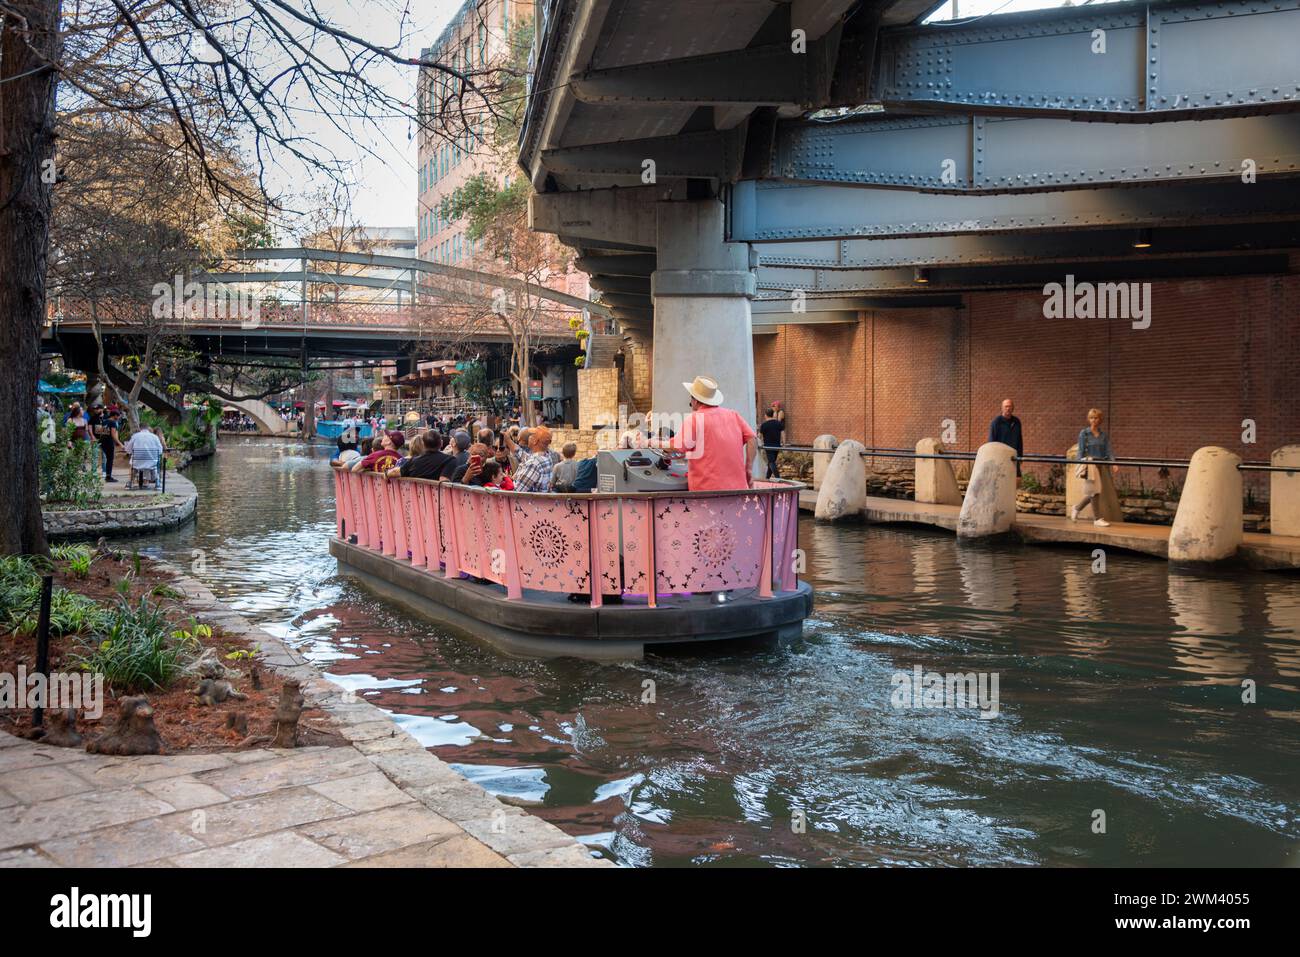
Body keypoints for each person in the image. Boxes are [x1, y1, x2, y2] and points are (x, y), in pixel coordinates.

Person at [659, 376, 756, 492]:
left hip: (707, 492)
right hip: (737, 490)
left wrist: (650, 442)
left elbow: (676, 446)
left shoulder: (694, 418)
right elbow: (752, 438)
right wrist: (749, 468)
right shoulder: (733, 415)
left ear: (695, 400)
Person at [1069, 408, 1119, 528]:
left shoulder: (1103, 435)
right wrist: (1079, 465)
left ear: (1100, 419)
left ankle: (1077, 508)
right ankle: (1097, 519)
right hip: (1090, 464)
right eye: (1091, 418)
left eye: (1096, 418)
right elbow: (1080, 451)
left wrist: (1114, 463)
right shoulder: (1084, 434)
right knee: (1095, 491)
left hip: (1100, 465)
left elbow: (1108, 450)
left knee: (1094, 491)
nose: (1093, 420)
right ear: (1088, 419)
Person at [505, 425, 556, 492]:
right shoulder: (547, 456)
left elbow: (517, 491)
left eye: (531, 436)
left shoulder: (533, 463)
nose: (529, 437)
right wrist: (508, 440)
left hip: (528, 502)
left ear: (535, 441)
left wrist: (507, 479)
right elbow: (523, 455)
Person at [988, 398, 1024, 478]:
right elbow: (991, 442)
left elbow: (1019, 440)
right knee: (1002, 480)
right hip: (1001, 457)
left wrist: (1020, 456)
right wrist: (993, 458)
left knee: (1016, 479)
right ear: (1002, 408)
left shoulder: (1017, 422)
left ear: (1013, 408)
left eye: (1010, 406)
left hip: (1014, 457)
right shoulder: (996, 422)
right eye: (1006, 406)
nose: (1008, 408)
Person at [90, 404, 124, 482]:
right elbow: (113, 435)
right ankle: (108, 477)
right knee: (110, 459)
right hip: (109, 442)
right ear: (115, 415)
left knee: (108, 459)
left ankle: (108, 475)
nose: (119, 418)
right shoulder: (112, 423)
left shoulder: (104, 421)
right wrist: (120, 444)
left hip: (103, 442)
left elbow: (99, 431)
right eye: (118, 416)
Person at [125, 424, 164, 489]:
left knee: (132, 464)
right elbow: (160, 450)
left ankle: (130, 482)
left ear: (140, 429)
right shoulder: (155, 437)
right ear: (148, 428)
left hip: (137, 462)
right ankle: (157, 483)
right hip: (151, 462)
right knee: (152, 462)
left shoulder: (135, 436)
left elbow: (128, 449)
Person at [758, 407, 784, 480]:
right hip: (777, 446)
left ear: (765, 415)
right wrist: (783, 443)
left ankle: (778, 478)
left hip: (768, 446)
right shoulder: (778, 423)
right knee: (771, 461)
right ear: (772, 415)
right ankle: (767, 478)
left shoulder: (764, 425)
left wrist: (760, 442)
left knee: (771, 462)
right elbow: (783, 433)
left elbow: (759, 436)